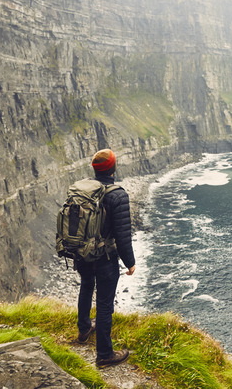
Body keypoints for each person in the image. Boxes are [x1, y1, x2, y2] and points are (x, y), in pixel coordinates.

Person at [75, 148, 136, 369]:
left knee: (86, 285)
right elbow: (122, 234)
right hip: (105, 257)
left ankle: (84, 329)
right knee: (104, 303)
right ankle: (104, 354)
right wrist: (130, 262)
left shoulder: (84, 190)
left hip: (82, 253)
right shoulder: (117, 195)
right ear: (113, 168)